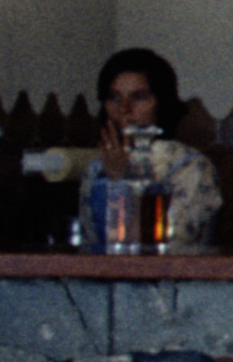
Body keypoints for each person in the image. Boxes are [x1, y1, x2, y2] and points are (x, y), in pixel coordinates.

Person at [95, 44, 221, 248]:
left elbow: (168, 247)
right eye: (114, 97)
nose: (124, 109)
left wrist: (121, 181)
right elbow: (92, 246)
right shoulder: (96, 166)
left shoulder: (190, 166)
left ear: (161, 102)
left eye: (139, 97)